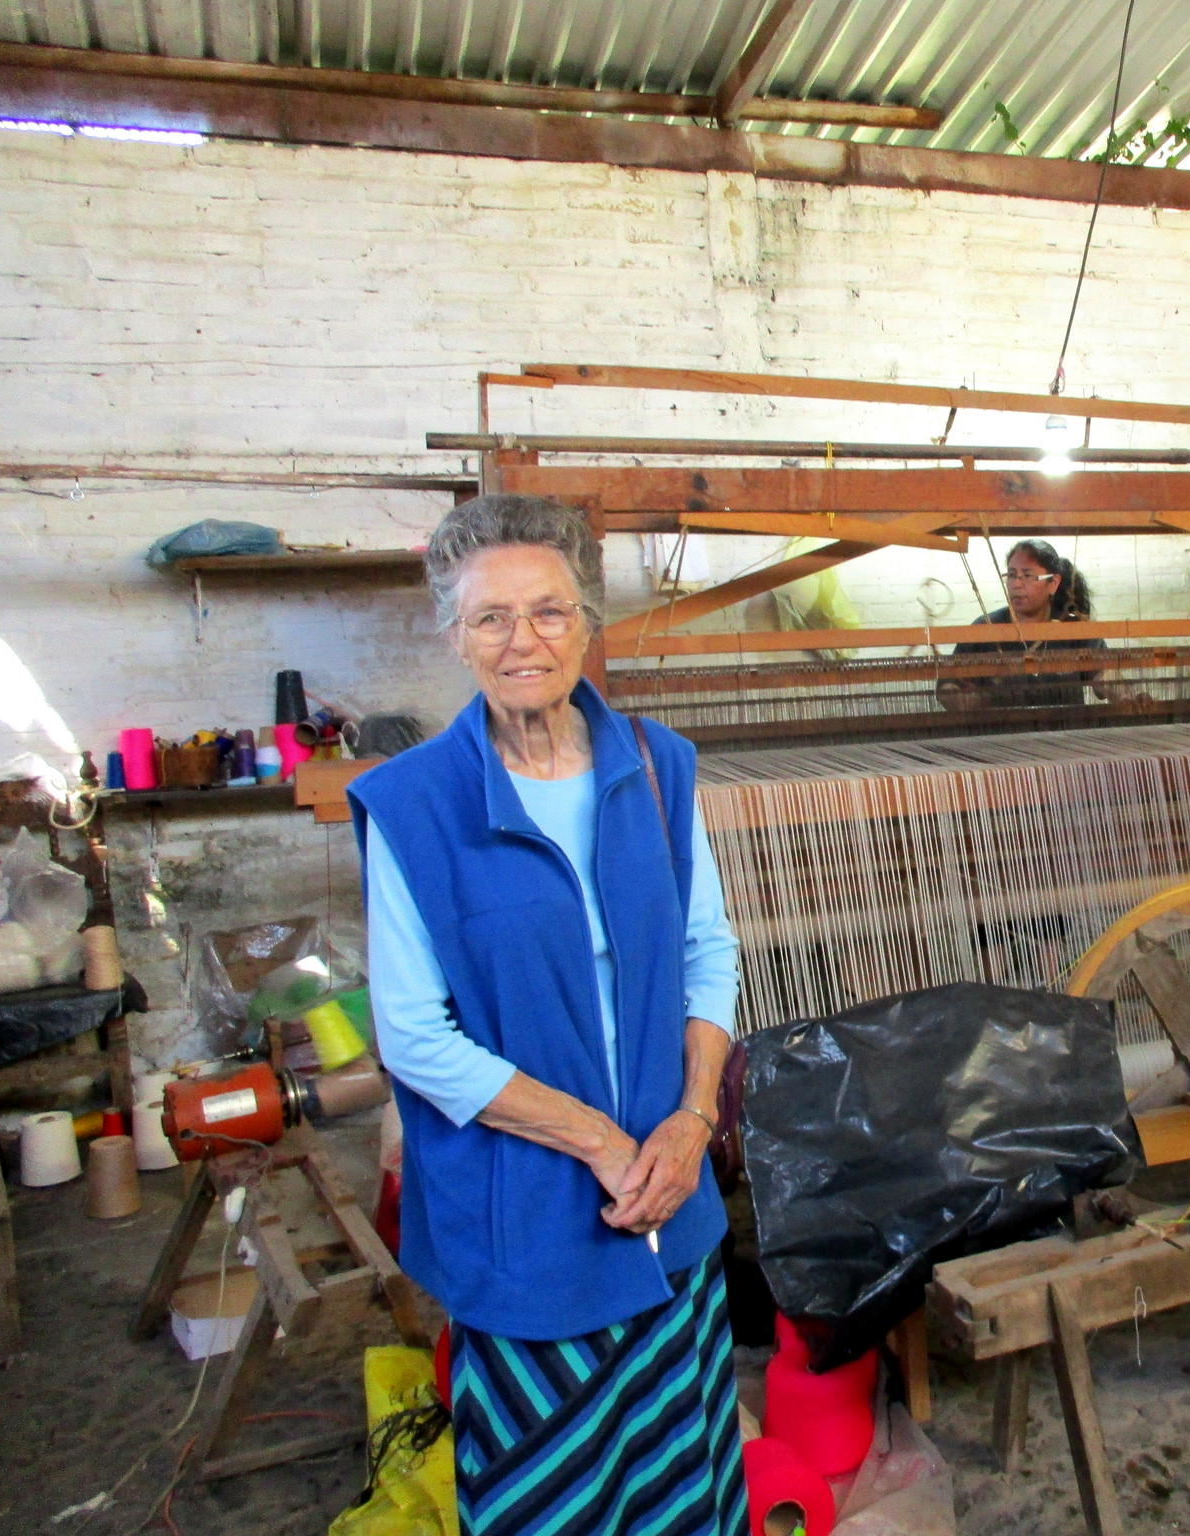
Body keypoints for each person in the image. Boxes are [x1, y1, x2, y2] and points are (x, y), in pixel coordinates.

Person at [350, 494, 746, 1536]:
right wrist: (602, 1143)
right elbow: (415, 1038)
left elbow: (707, 952)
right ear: (455, 636)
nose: (522, 640)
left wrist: (692, 1119)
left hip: (673, 1200)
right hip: (528, 1225)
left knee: (686, 1486)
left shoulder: (655, 768)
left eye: (548, 611)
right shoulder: (414, 804)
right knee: (554, 1499)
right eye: (491, 617)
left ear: (586, 623)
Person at [938, 539, 1125, 712]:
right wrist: (966, 701)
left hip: (1066, 733)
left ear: (1053, 583)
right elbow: (947, 686)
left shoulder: (1073, 629)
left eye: (1027, 576)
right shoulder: (984, 629)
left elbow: (1105, 675)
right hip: (1003, 734)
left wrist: (1128, 697)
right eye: (1012, 575)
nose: (1016, 584)